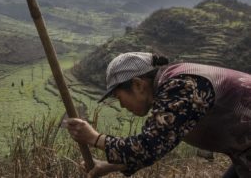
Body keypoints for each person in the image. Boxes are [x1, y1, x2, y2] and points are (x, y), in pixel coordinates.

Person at [66, 52, 251, 177]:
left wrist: (94, 138)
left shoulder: (182, 86)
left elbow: (148, 147)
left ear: (138, 85)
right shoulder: (172, 88)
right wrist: (109, 166)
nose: (121, 105)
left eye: (119, 97)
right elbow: (160, 143)